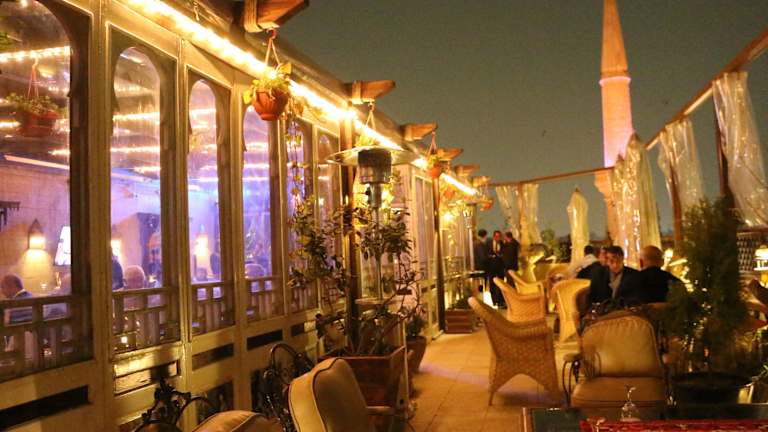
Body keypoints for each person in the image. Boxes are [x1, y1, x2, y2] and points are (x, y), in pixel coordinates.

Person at [489, 230, 506, 307]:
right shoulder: (489, 243)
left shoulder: (502, 244)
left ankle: (500, 300)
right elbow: (486, 253)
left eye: (499, 236)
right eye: (496, 236)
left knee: (501, 283)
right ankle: (494, 300)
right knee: (492, 284)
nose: (497, 238)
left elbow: (504, 254)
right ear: (493, 237)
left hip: (500, 267)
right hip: (491, 267)